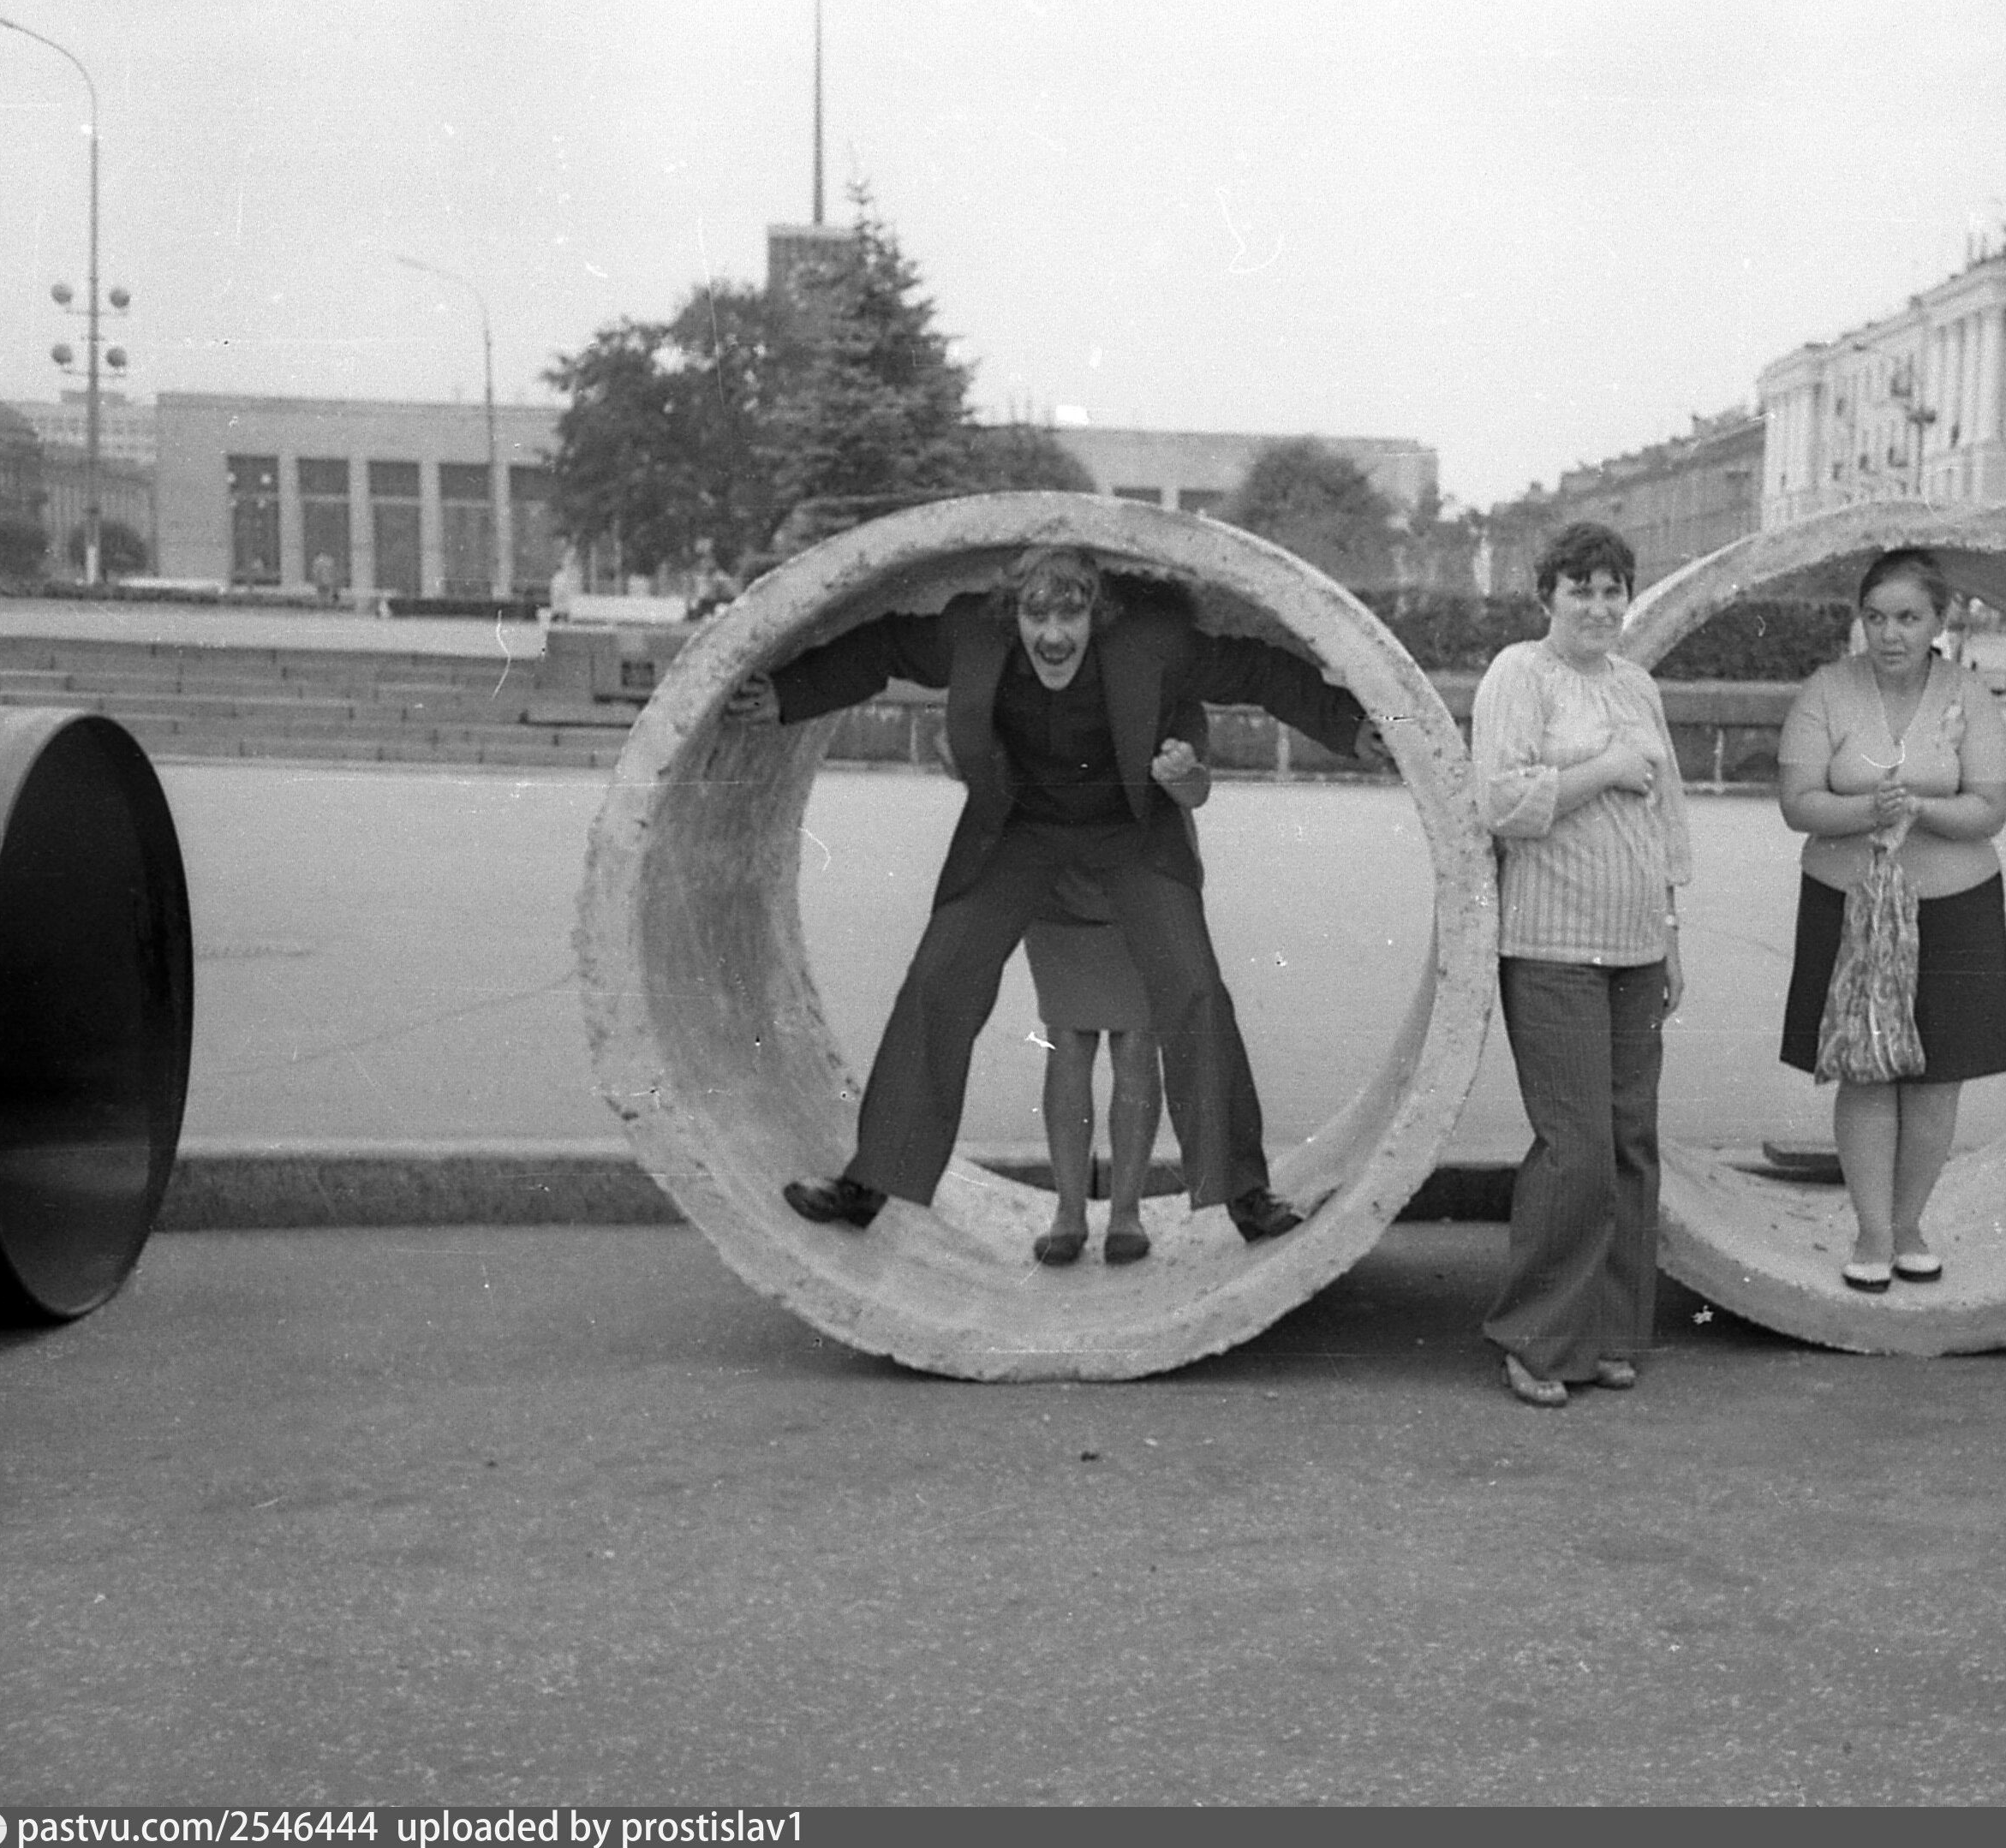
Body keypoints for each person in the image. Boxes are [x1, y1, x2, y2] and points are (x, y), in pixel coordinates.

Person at [723, 545, 1386, 1245]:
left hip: (1130, 834)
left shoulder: (1151, 643)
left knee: (1194, 987)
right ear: (1010, 614)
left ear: (1098, 615)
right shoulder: (971, 633)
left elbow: (1257, 668)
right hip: (1022, 830)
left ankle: (1246, 1195)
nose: (1052, 634)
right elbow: (882, 645)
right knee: (938, 979)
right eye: (1035, 615)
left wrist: (1350, 727)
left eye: (1070, 615)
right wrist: (788, 693)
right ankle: (868, 1183)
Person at [1470, 522, 1693, 1406]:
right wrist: (1604, 767)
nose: (1599, 607)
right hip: (1553, 945)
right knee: (1578, 1150)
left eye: (1612, 590)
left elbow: (1665, 814)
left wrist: (1670, 933)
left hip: (1636, 943)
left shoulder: (1636, 684)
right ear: (1546, 597)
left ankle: (1604, 1334)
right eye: (1580, 590)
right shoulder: (1518, 674)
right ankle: (1533, 1338)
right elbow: (1501, 801)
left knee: (1630, 1141)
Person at [1776, 548, 2006, 1292]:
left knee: (1937, 1079)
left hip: (1955, 906)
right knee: (1866, 1070)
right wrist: (1865, 810)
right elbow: (1798, 804)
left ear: (1938, 621)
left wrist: (1920, 809)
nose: (1890, 634)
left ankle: (1909, 1224)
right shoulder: (1826, 690)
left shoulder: (1969, 694)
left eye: (1908, 618)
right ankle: (1872, 1233)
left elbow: (1989, 808)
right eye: (1875, 617)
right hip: (1847, 904)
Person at [1023, 723, 1211, 1267]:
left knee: (1136, 1044)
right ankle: (1068, 1213)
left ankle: (1126, 1213)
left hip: (1145, 886)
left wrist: (1180, 773)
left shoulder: (1167, 694)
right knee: (1067, 1040)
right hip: (1058, 886)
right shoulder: (1041, 689)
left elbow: (1197, 790)